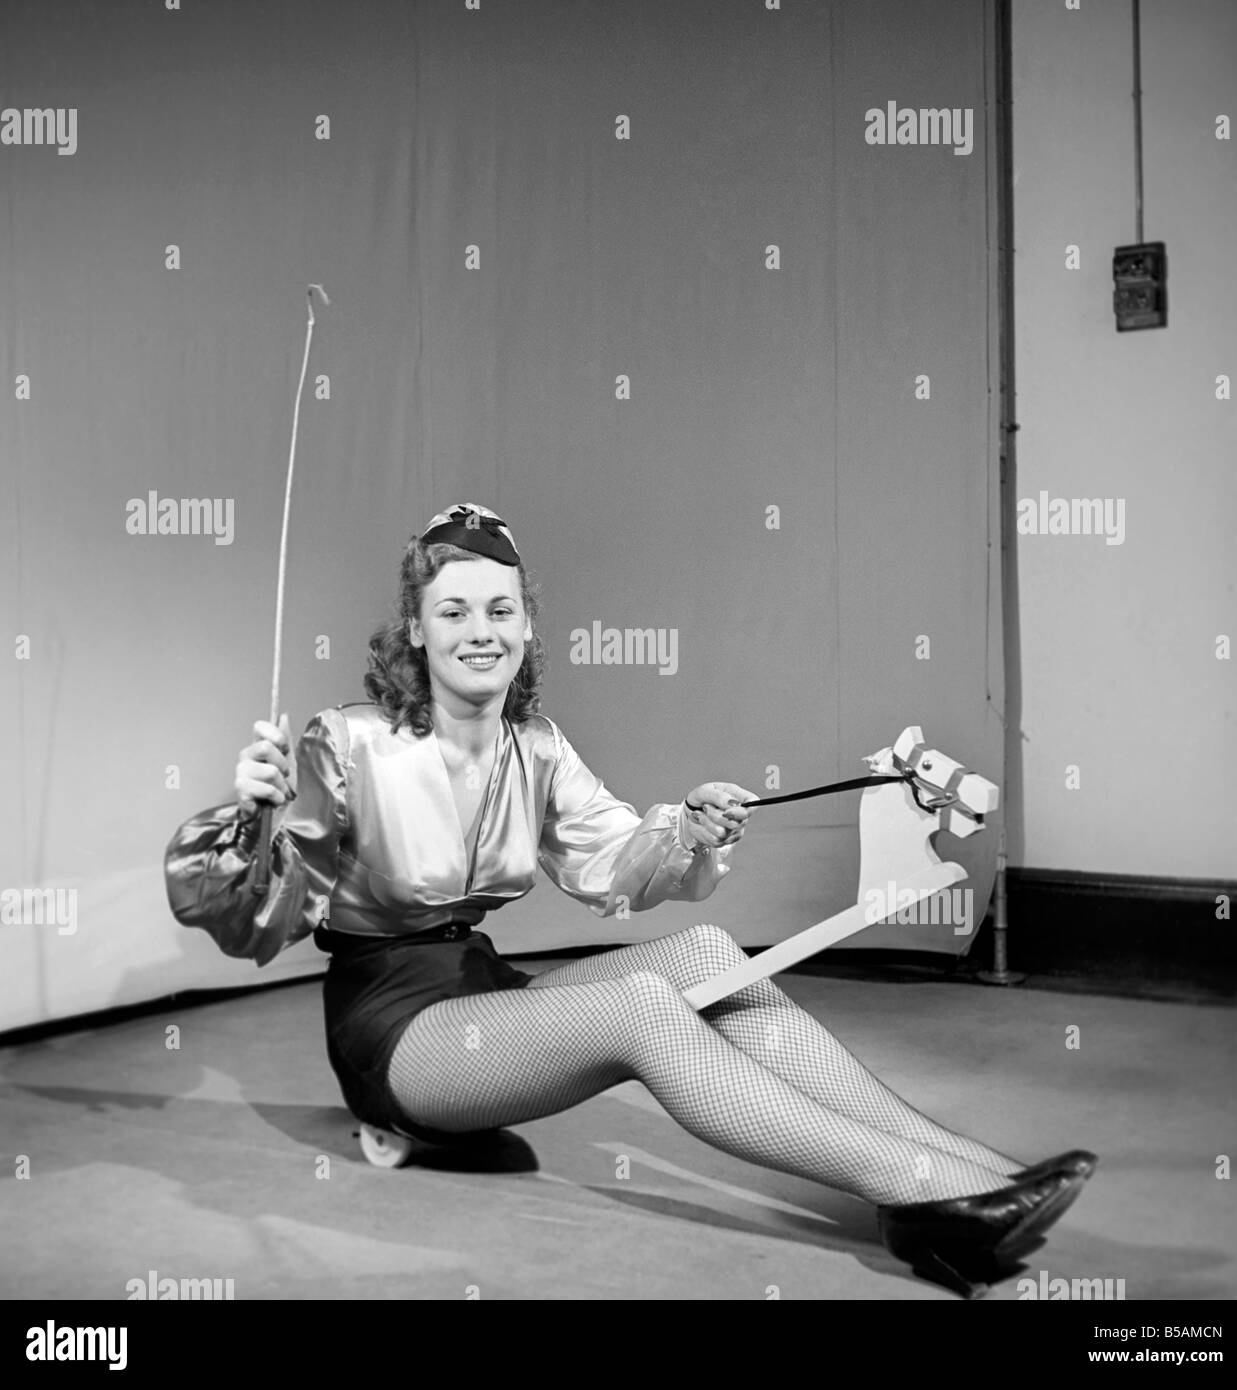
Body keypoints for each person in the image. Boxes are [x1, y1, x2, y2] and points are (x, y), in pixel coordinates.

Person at [164, 501, 1094, 1297]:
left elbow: (615, 862)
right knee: (647, 1009)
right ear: (414, 628)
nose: (479, 630)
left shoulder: (538, 745)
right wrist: (248, 818)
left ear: (526, 625)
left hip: (483, 993)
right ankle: (918, 1190)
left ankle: (974, 1175)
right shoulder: (346, 743)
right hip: (393, 1027)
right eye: (452, 612)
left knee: (708, 958)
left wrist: (687, 829)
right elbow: (256, 923)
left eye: (500, 609)